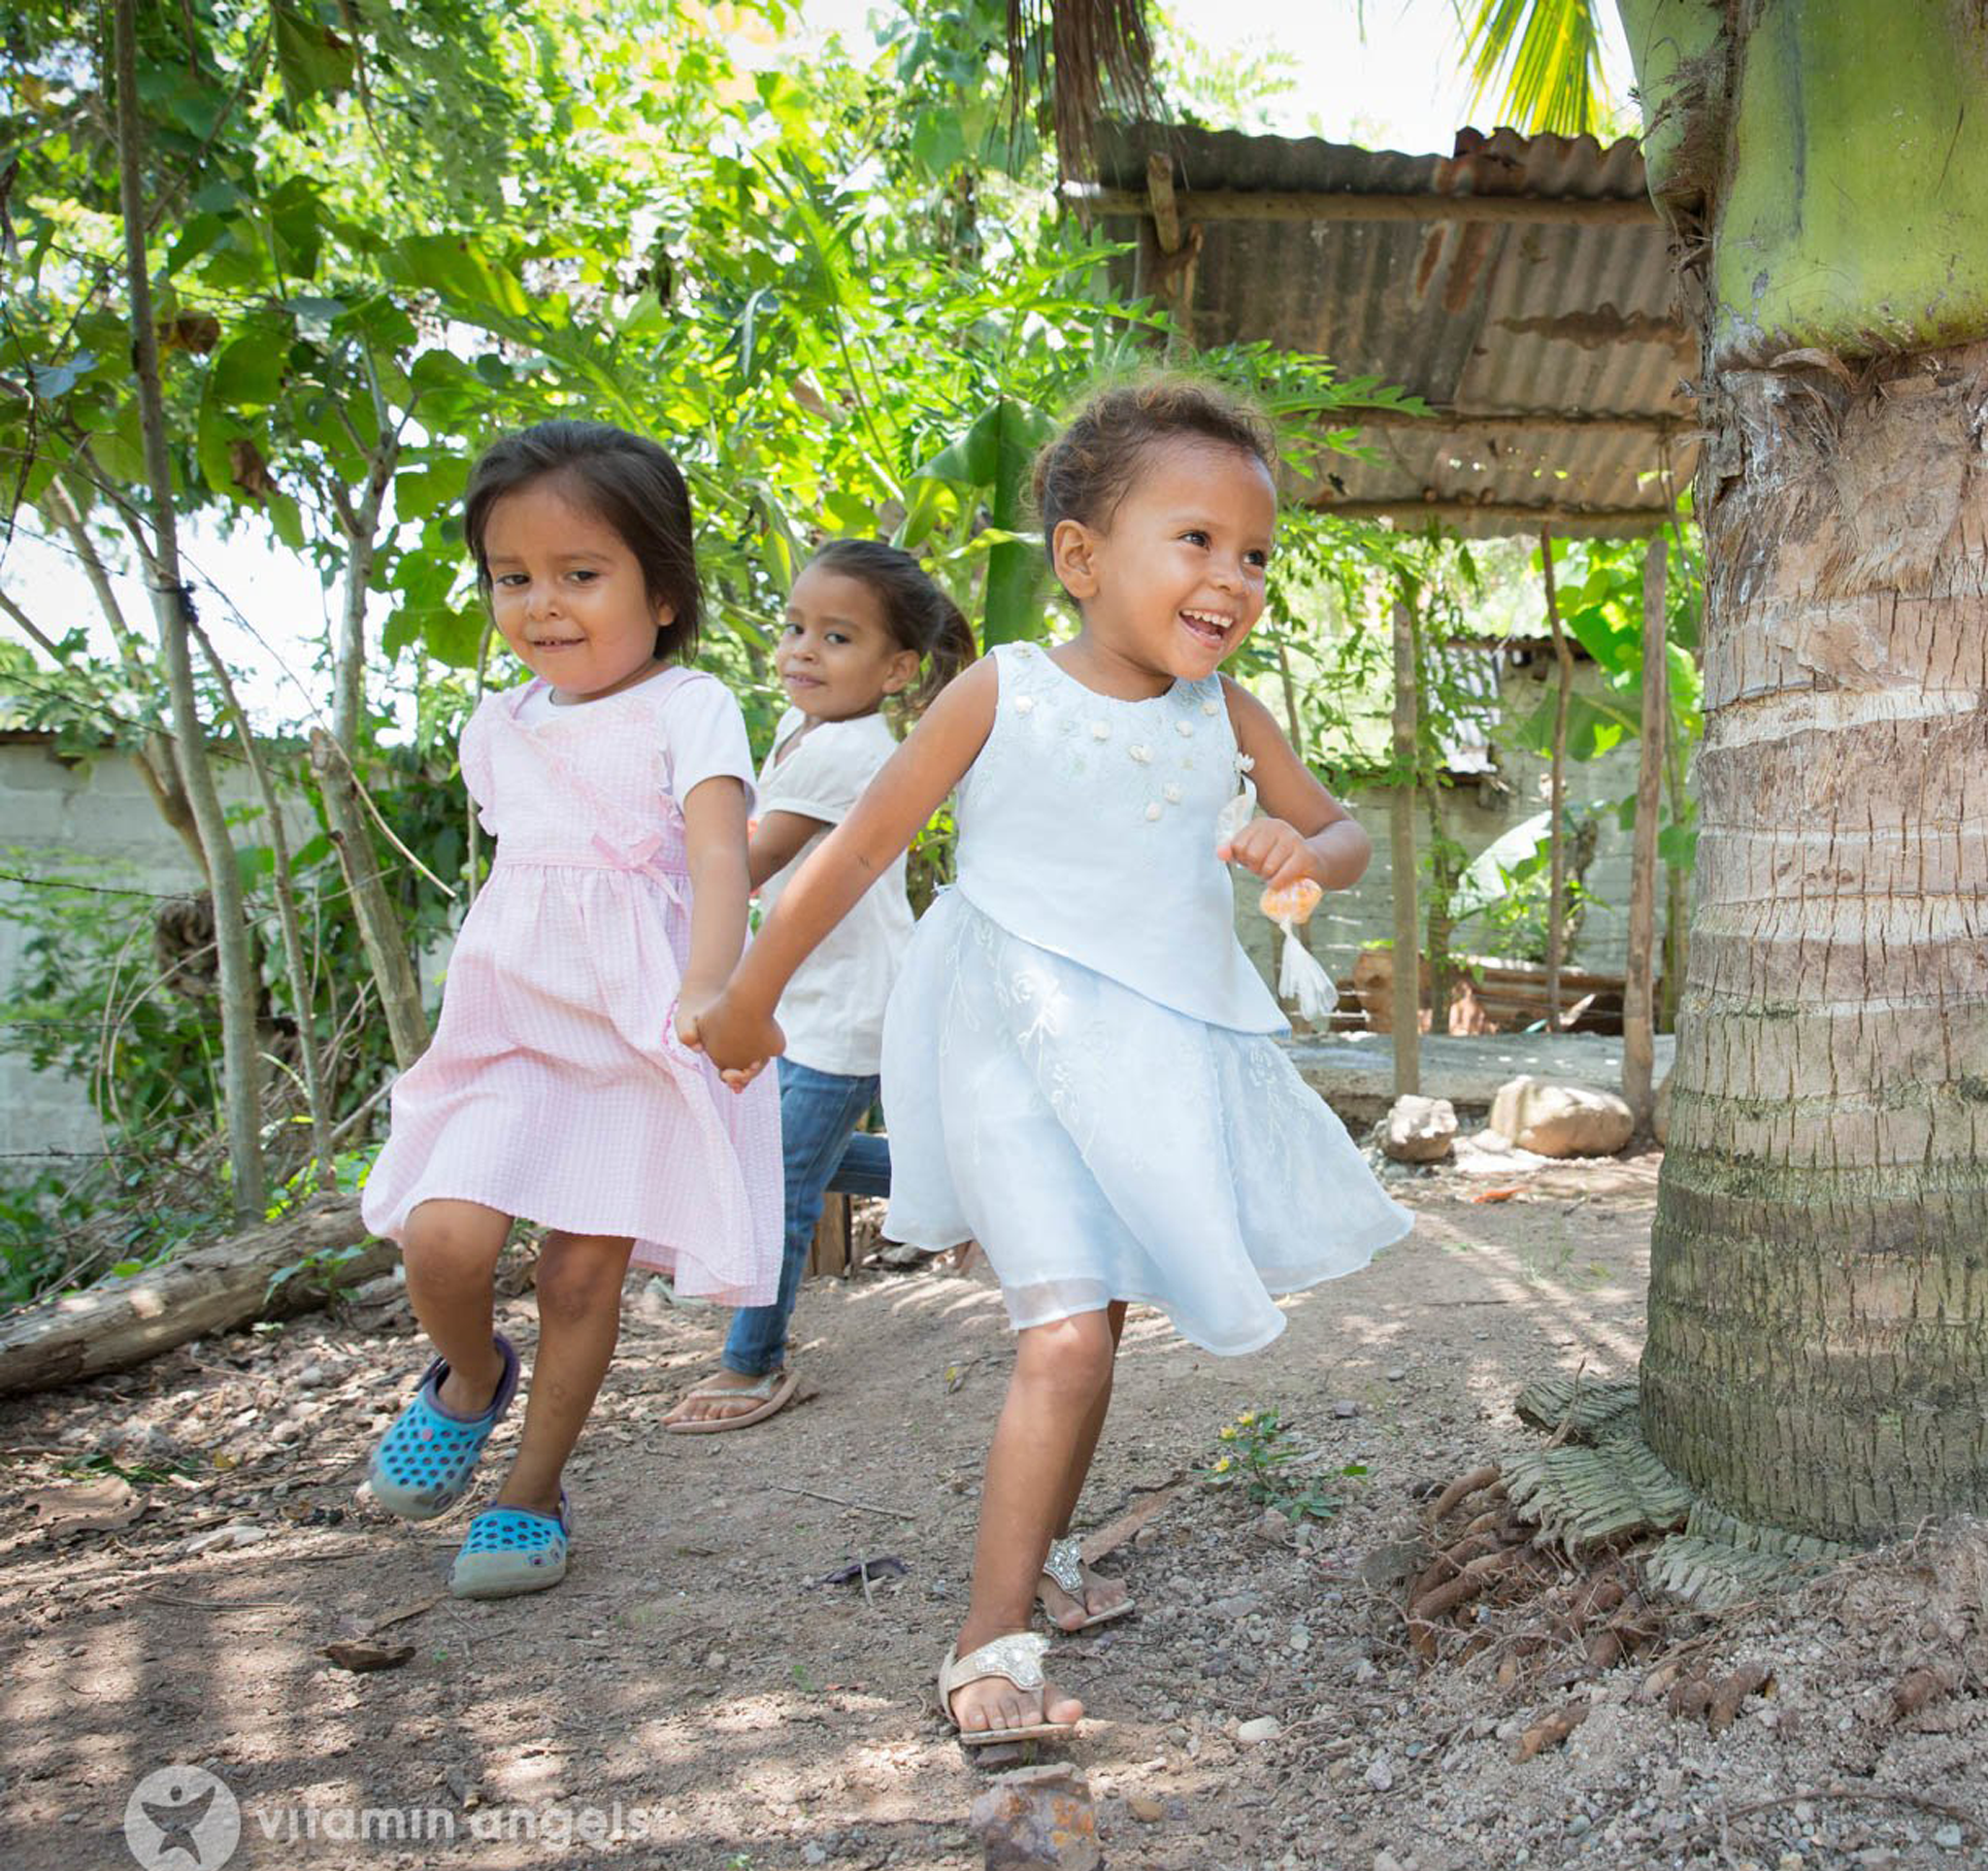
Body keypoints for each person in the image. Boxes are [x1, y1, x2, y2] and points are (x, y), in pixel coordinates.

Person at [694, 378, 1412, 1740]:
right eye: (1194, 540)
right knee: (1068, 1332)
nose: (1233, 577)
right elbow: (860, 849)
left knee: (1098, 1323)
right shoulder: (1001, 688)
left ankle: (1046, 1556)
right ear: (1082, 559)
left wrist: (1295, 856)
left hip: (1152, 1048)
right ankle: (986, 1644)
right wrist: (751, 994)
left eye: (1255, 554)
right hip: (1007, 1035)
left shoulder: (1232, 718)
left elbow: (1344, 837)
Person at [360, 419, 779, 1599]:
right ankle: (465, 1375)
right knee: (442, 1235)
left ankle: (530, 1491)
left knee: (579, 1281)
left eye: (578, 574)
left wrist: (713, 986)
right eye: (513, 577)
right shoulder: (498, 723)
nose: (541, 604)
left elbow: (715, 856)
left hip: (633, 1029)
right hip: (509, 1028)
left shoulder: (688, 705)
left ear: (661, 588)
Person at [665, 541, 975, 1432]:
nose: (803, 648)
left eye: (836, 638)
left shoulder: (849, 752)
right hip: (806, 998)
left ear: (896, 669)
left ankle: (751, 1364)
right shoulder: (808, 733)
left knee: (781, 1181)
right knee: (793, 1157)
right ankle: (970, 1185)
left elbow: (752, 859)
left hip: (848, 1009)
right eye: (795, 627)